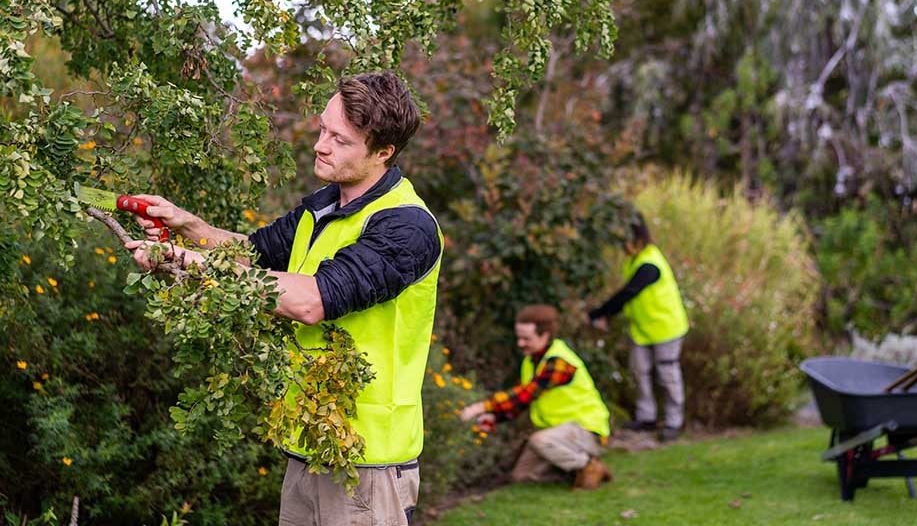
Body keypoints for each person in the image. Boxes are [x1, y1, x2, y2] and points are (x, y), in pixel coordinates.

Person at [125, 72, 442, 526]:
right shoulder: (324, 205)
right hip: (309, 440)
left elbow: (312, 300)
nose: (321, 145)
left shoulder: (407, 228)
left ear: (383, 152)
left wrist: (188, 262)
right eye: (323, 129)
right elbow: (252, 255)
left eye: (340, 139)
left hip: (367, 460)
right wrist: (186, 227)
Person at [459, 305, 613, 490]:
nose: (520, 344)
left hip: (586, 430)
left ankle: (588, 466)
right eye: (519, 338)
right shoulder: (531, 361)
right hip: (556, 432)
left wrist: (482, 407)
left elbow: (527, 393)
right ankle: (576, 469)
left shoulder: (560, 362)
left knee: (540, 441)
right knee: (522, 476)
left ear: (545, 335)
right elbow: (523, 402)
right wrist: (495, 417)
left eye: (526, 339)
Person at [588, 214, 689, 442]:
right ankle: (647, 418)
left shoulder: (649, 264)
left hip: (666, 329)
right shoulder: (634, 260)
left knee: (667, 374)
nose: (623, 248)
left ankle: (674, 422)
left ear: (638, 239)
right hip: (642, 329)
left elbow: (628, 293)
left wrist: (599, 313)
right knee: (639, 371)